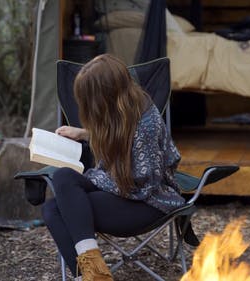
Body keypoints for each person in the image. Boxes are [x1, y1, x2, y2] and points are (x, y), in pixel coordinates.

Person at [42, 54, 185, 281]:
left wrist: (94, 180)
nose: (87, 105)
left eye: (89, 99)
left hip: (147, 202)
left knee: (57, 208)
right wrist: (84, 134)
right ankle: (91, 274)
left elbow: (141, 182)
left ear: (105, 96)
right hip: (120, 188)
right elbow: (120, 135)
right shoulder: (123, 110)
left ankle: (92, 275)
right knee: (62, 180)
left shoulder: (146, 124)